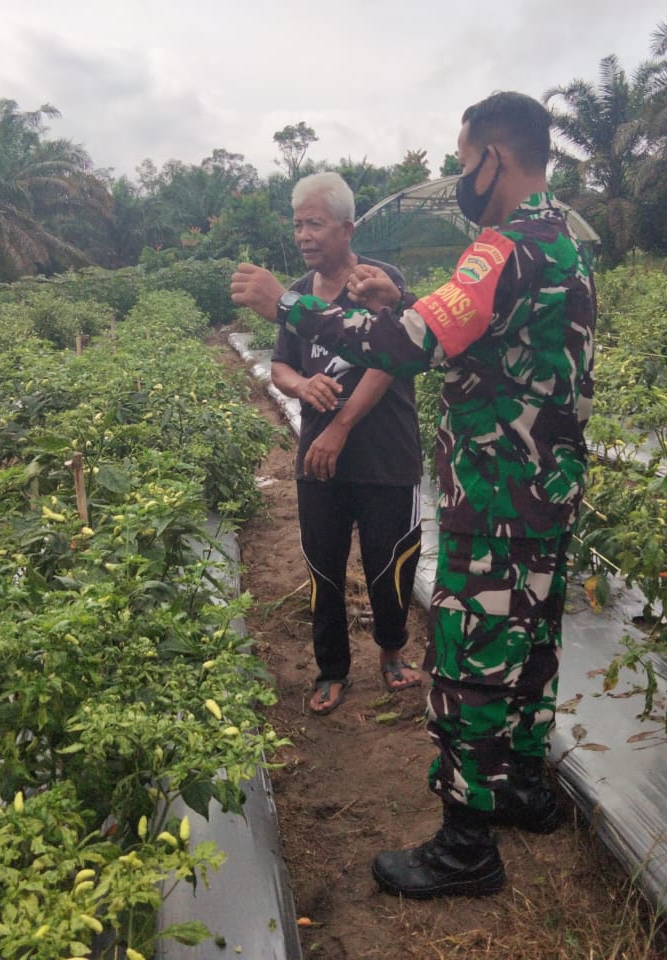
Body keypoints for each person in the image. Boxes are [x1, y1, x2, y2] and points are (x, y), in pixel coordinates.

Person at [232, 91, 596, 899]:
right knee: (531, 647)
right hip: (548, 489)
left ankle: (466, 843)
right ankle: (525, 790)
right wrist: (399, 302)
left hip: (495, 495)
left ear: (494, 159)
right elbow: (477, 332)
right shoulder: (563, 244)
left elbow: (403, 349)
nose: (462, 175)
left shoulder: (498, 249)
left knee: (467, 661)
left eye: (465, 160)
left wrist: (288, 305)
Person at [270, 172, 425, 716]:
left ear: (346, 227)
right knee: (323, 562)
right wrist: (300, 384)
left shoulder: (380, 281)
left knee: (391, 561)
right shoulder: (294, 296)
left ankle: (392, 652)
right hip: (319, 458)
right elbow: (280, 365)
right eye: (297, 225)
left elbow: (389, 362)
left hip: (385, 453)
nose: (304, 235)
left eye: (314, 223)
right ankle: (331, 669)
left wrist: (340, 426)